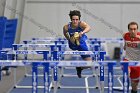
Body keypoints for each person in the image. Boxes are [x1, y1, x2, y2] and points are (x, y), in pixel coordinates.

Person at [63, 10, 92, 78]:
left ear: (79, 19)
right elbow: (64, 33)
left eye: (77, 19)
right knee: (75, 36)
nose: (75, 21)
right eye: (73, 20)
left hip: (81, 44)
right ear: (71, 19)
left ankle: (80, 68)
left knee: (89, 64)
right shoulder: (66, 27)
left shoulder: (81, 24)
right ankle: (76, 39)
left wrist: (82, 32)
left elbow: (89, 28)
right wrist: (69, 39)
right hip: (73, 44)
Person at [123, 21, 140, 93]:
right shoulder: (125, 35)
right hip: (127, 60)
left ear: (137, 29)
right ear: (128, 30)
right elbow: (125, 47)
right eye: (131, 29)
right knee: (126, 72)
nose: (133, 31)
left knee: (134, 85)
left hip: (137, 63)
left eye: (135, 29)